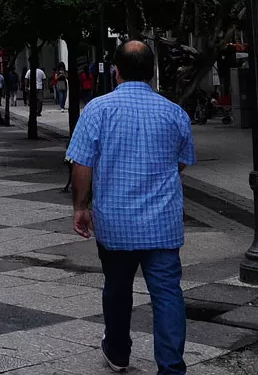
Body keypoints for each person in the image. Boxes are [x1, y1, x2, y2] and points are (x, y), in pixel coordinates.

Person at [67, 40, 195, 375]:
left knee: (117, 286)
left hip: (116, 220)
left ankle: (118, 351)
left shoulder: (97, 109)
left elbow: (81, 164)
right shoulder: (174, 112)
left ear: (116, 70)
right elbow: (181, 162)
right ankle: (171, 368)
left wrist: (81, 206)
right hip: (163, 223)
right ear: (153, 71)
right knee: (167, 293)